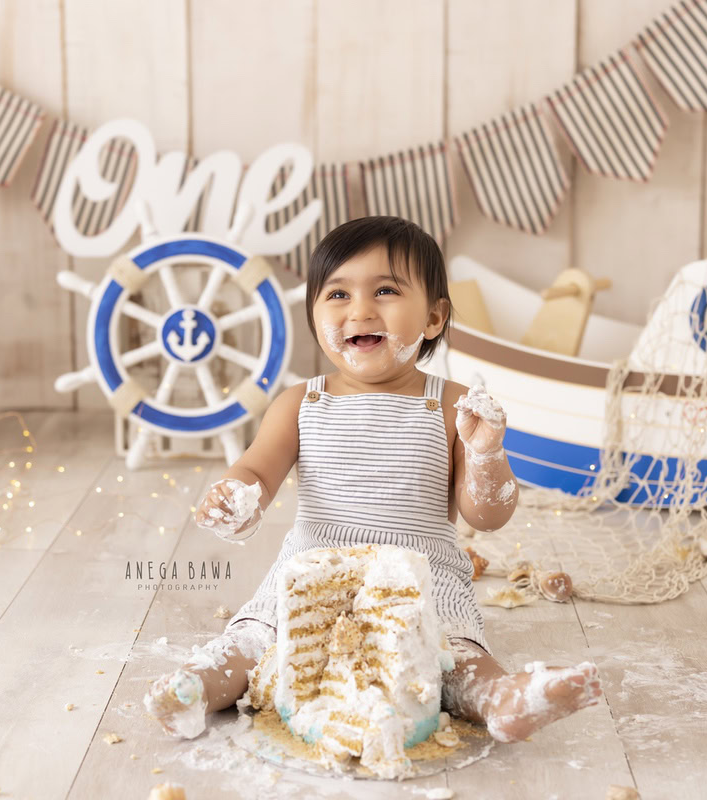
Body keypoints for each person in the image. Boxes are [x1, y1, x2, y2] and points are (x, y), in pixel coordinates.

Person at [144, 216, 601, 743]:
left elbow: (487, 515)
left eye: (385, 290)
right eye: (337, 293)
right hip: (311, 564)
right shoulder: (301, 402)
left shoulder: (450, 404)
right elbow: (256, 469)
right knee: (256, 636)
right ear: (314, 316)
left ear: (433, 317)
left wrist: (486, 454)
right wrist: (236, 495)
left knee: (453, 651)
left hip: (422, 571)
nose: (359, 309)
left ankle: (501, 700)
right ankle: (197, 688)